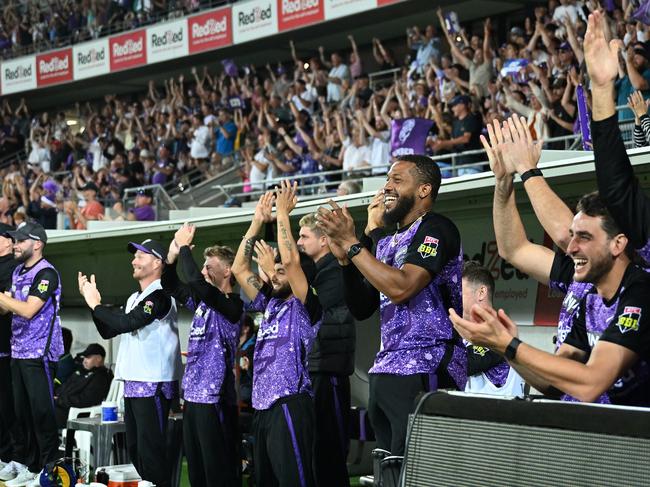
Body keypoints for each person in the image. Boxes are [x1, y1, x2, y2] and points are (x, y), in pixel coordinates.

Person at [317, 155, 466, 456]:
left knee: (418, 466)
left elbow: (402, 287)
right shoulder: (388, 242)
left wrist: (354, 245)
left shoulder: (437, 228)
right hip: (386, 367)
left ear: (424, 190)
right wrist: (346, 262)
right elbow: (362, 307)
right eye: (386, 180)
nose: (387, 186)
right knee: (389, 466)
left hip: (427, 365)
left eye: (397, 180)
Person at [231, 184, 322, 487]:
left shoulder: (304, 305)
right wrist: (258, 221)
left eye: (281, 272)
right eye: (275, 272)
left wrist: (282, 214)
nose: (275, 275)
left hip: (289, 405)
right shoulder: (269, 302)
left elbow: (293, 262)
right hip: (262, 409)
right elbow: (239, 268)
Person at [78, 239, 182, 487]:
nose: (133, 261)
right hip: (134, 383)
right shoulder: (137, 296)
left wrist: (96, 305)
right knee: (136, 450)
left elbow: (127, 323)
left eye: (140, 256)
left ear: (158, 262)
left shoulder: (161, 295)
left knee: (152, 452)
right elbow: (109, 330)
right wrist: (94, 304)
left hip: (154, 383)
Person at [162, 224, 243, 487]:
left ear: (228, 270)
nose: (203, 271)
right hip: (194, 398)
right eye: (204, 266)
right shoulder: (202, 303)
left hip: (216, 399)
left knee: (218, 472)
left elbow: (196, 283)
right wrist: (173, 256)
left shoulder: (232, 305)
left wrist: (185, 247)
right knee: (197, 471)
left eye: (210, 266)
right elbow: (171, 283)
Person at [0, 222, 63, 486]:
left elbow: (27, 310)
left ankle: (48, 469)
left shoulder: (46, 273)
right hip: (18, 351)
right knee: (22, 413)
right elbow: (8, 308)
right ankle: (29, 464)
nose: (15, 244)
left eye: (21, 240)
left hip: (40, 355)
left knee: (41, 415)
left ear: (37, 244)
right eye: (14, 240)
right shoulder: (17, 272)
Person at [297, 213, 355, 487]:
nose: (298, 242)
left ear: (323, 240)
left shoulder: (333, 269)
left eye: (304, 236)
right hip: (316, 368)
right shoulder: (319, 271)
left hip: (329, 369)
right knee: (316, 448)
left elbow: (318, 311)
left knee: (330, 449)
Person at [462, 261, 524, 397]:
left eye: (459, 291)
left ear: (481, 292)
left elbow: (465, 363)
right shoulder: (462, 335)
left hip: (501, 415)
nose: (453, 296)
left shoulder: (501, 331)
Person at [54, 343, 113, 428]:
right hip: (63, 407)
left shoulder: (101, 378)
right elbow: (64, 387)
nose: (84, 360)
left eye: (88, 357)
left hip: (77, 414)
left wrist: (59, 400)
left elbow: (85, 400)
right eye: (84, 357)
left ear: (99, 358)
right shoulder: (81, 372)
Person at [0, 223, 18, 468]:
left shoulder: (13, 268)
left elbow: (7, 306)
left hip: (7, 345)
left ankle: (10, 457)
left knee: (6, 405)